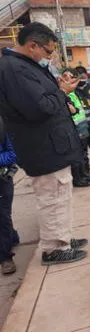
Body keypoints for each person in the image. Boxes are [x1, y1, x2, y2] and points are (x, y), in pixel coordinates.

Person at [0, 22, 88, 265]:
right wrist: (62, 92)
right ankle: (54, 248)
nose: (49, 57)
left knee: (61, 195)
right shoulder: (15, 70)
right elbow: (39, 108)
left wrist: (59, 86)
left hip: (52, 146)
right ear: (32, 46)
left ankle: (63, 238)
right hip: (43, 148)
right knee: (52, 197)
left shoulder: (25, 66)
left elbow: (44, 95)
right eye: (48, 52)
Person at [61, 68, 90, 188]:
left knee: (83, 153)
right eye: (65, 76)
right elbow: (71, 110)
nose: (68, 79)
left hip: (81, 125)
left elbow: (76, 109)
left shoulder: (74, 93)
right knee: (77, 155)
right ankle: (78, 179)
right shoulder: (64, 94)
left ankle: (84, 175)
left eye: (70, 76)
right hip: (74, 127)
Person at [0, 117, 18, 275]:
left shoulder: (3, 127)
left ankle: (5, 258)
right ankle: (11, 236)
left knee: (2, 216)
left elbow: (13, 154)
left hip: (2, 180)